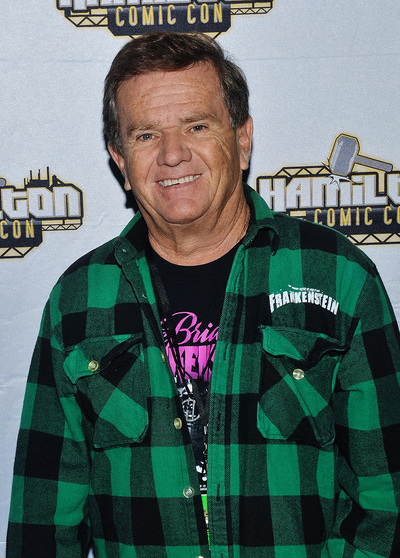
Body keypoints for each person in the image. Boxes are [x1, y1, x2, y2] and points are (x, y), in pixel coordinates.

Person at [7, 31, 400, 558]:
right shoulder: (78, 300)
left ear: (242, 139)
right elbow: (42, 521)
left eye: (197, 126)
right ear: (120, 161)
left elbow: (388, 501)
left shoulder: (337, 276)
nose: (172, 154)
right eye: (146, 135)